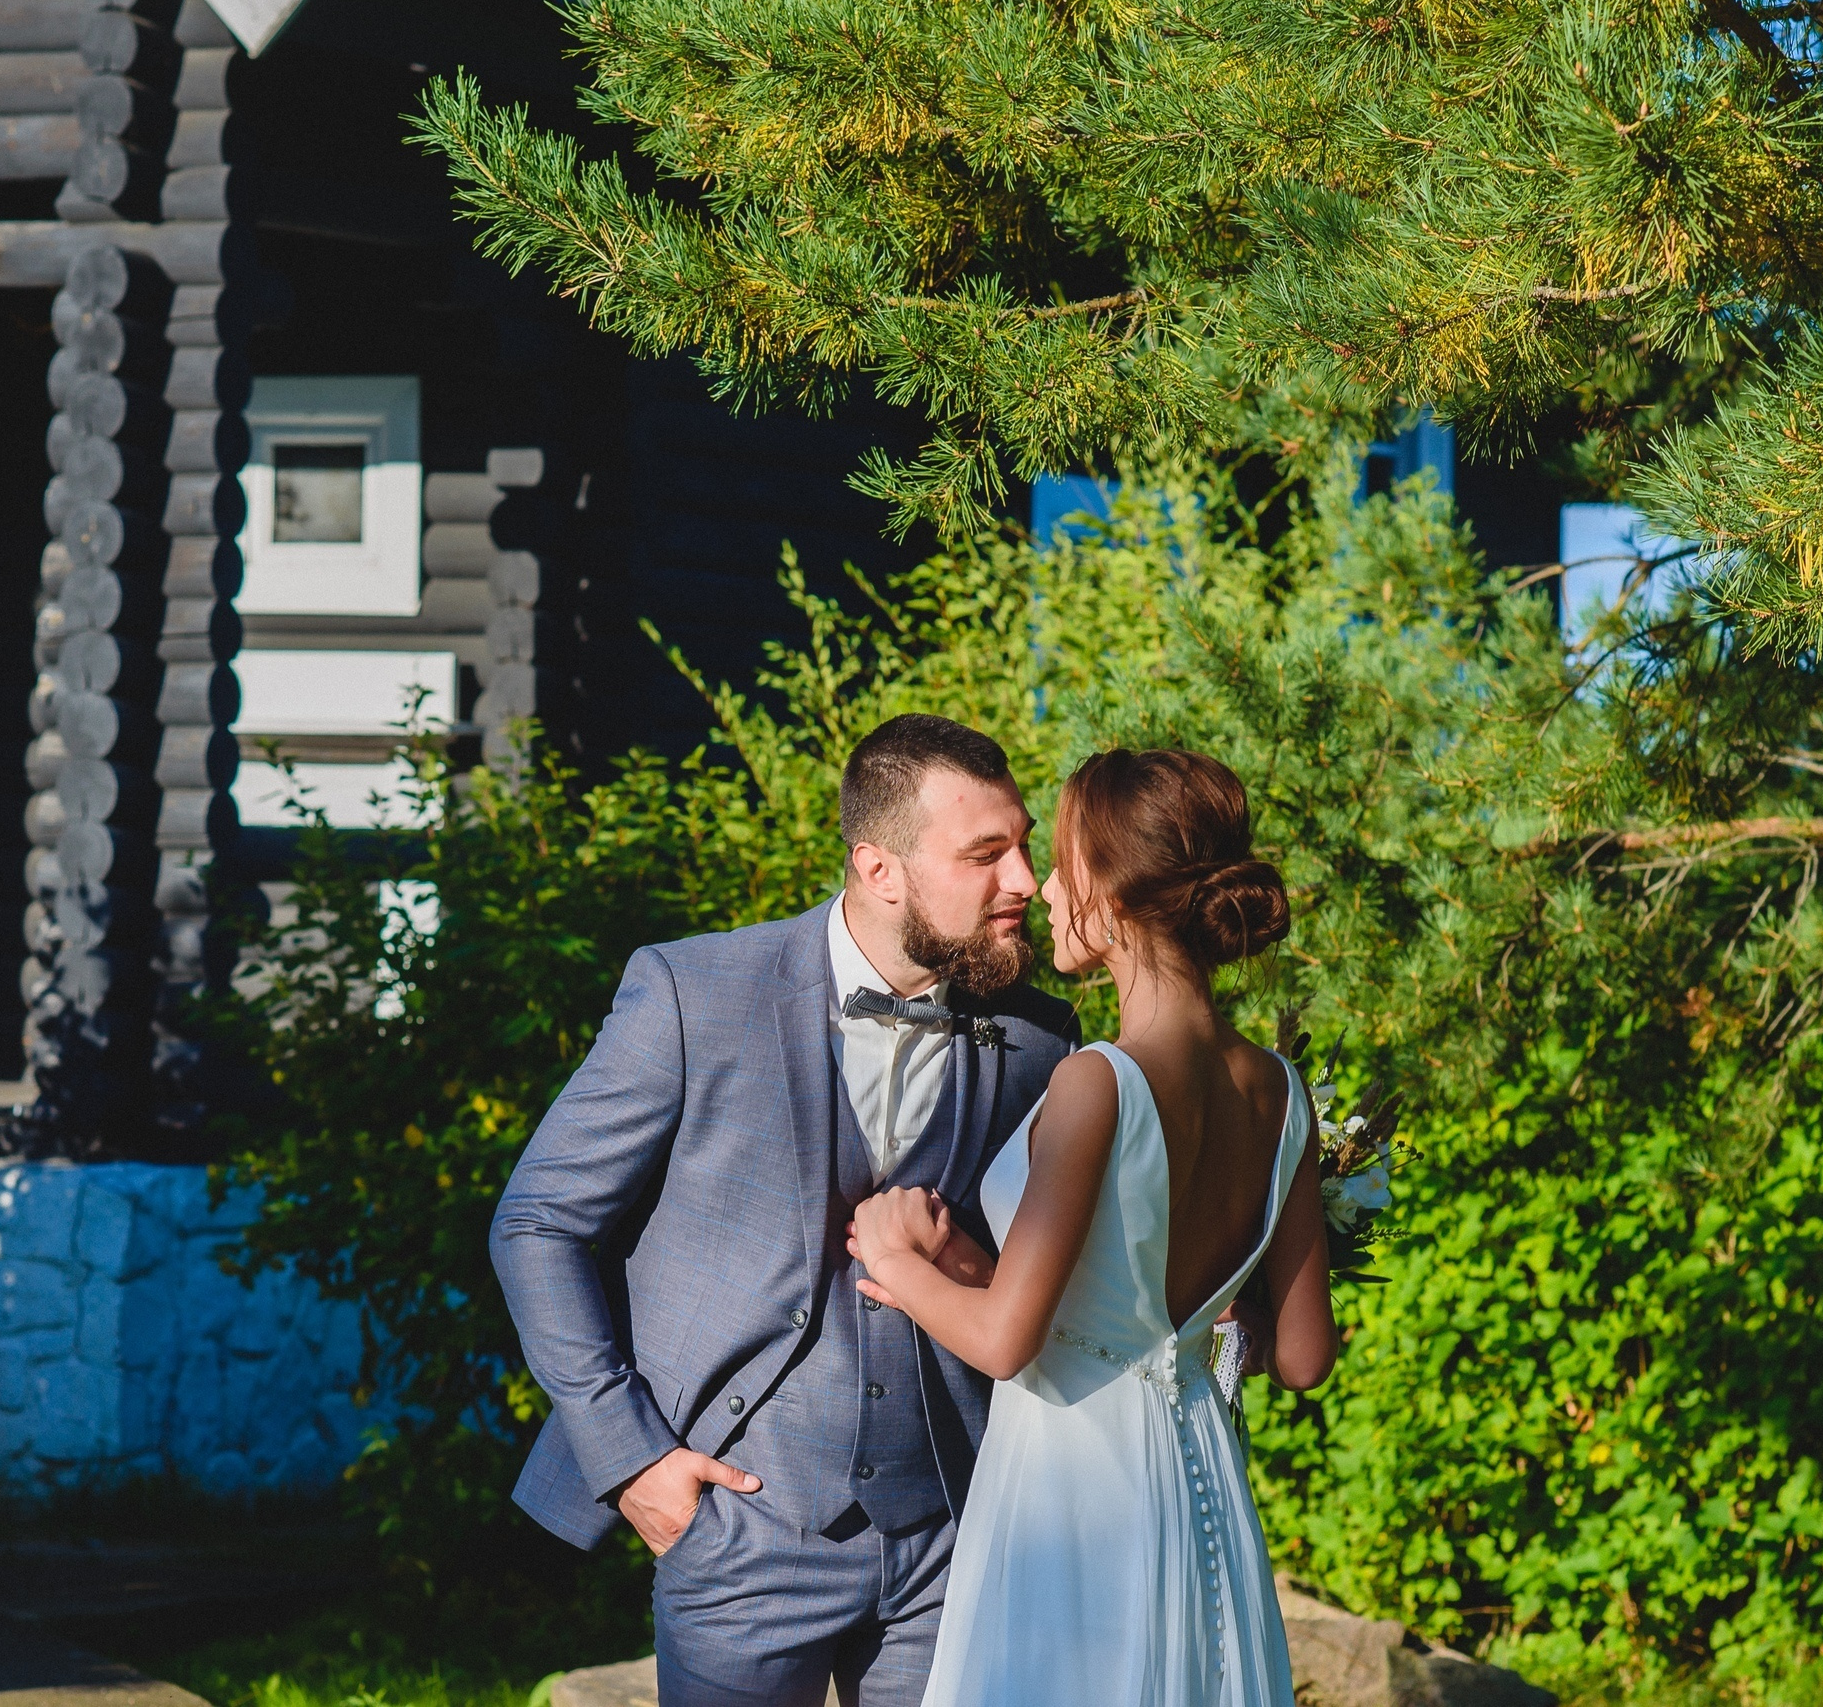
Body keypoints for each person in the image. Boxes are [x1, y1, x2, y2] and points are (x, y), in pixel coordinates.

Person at [492, 713, 1081, 1706]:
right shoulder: (693, 992)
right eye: (986, 852)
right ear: (878, 867)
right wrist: (634, 1459)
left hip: (952, 1528)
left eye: (1022, 844)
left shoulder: (1040, 1038)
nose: (1024, 877)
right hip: (738, 1525)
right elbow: (539, 1222)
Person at [850, 747, 1337, 1707]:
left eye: (1066, 859)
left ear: (1112, 892)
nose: (1046, 885)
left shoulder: (1096, 1081)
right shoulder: (1283, 1094)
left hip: (1076, 1487)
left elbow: (1005, 1341)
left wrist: (895, 1258)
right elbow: (1304, 1356)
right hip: (1203, 1482)